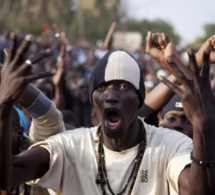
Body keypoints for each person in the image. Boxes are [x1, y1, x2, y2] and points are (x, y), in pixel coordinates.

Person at [0, 33, 215, 195]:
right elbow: (7, 176)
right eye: (102, 88)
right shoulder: (68, 148)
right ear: (94, 102)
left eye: (123, 87)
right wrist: (3, 106)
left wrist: (204, 127)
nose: (111, 96)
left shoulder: (170, 146)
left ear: (139, 99)